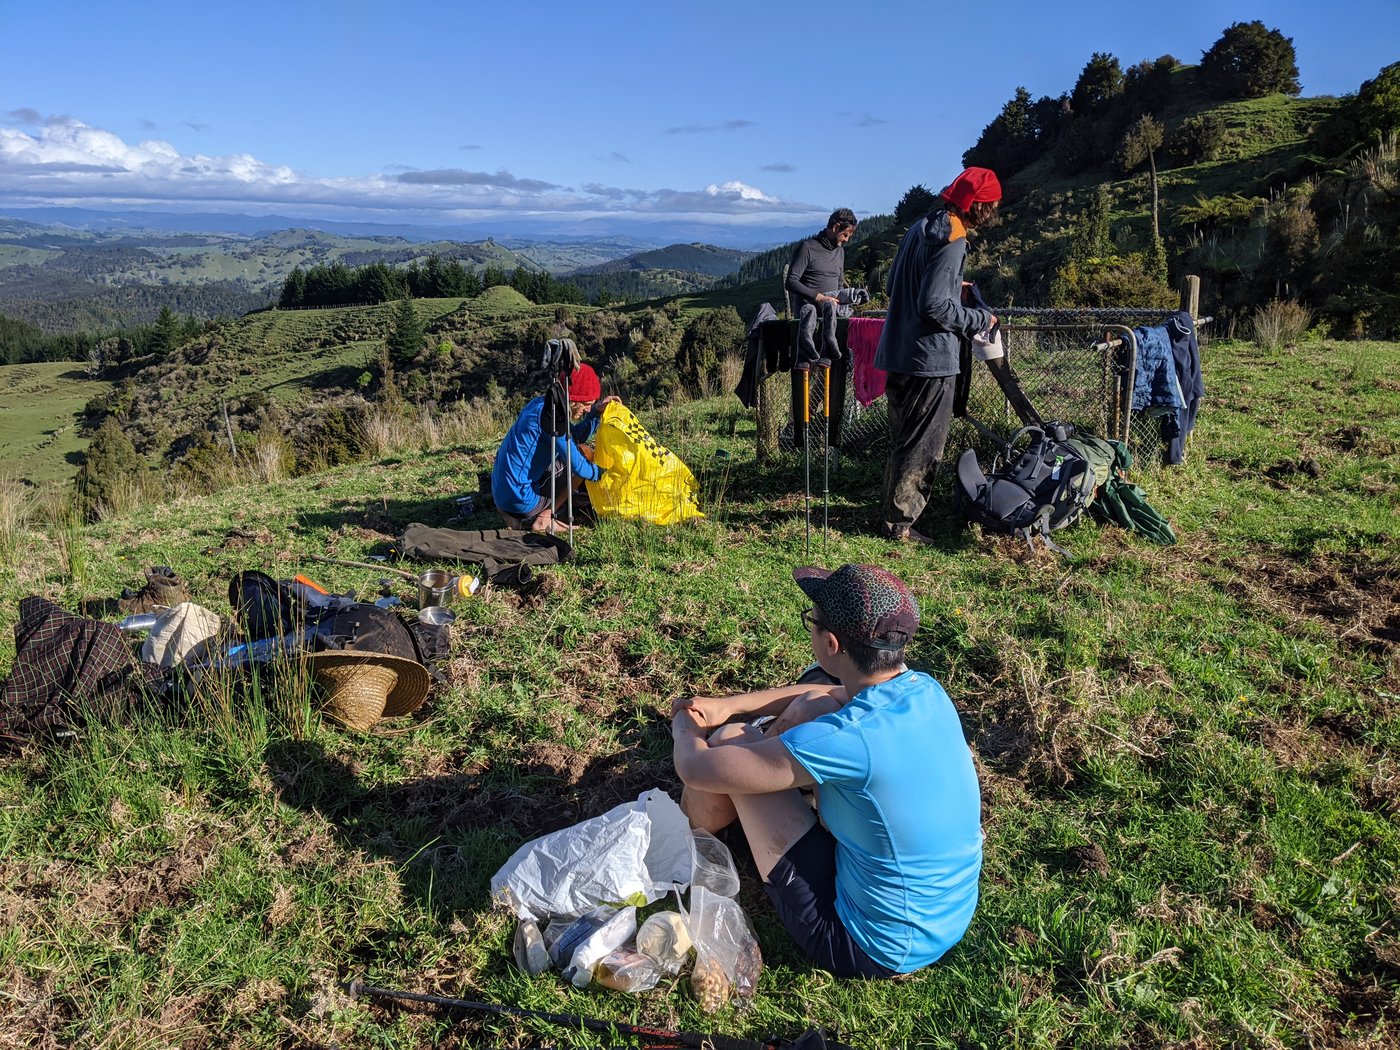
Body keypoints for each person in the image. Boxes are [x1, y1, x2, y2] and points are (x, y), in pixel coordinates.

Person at [671, 563, 982, 979]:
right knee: (812, 708)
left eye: (811, 622)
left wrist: (686, 724)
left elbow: (695, 766)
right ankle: (730, 808)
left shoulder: (847, 740)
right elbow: (828, 692)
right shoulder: (925, 689)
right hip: (941, 917)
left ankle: (690, 836)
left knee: (728, 744)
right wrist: (732, 703)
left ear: (831, 643)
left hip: (866, 944)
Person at [875, 167, 1002, 543]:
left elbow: (893, 283)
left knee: (903, 439)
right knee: (924, 446)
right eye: (991, 204)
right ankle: (901, 524)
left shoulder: (920, 228)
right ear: (979, 206)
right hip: (929, 359)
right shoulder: (954, 239)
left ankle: (891, 515)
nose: (993, 211)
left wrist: (948, 283)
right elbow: (934, 306)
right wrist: (980, 316)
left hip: (898, 350)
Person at [491, 362, 614, 534]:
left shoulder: (541, 405)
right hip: (520, 498)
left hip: (502, 493)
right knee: (585, 453)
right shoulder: (554, 420)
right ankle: (545, 518)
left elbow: (573, 436)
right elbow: (579, 466)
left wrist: (595, 414)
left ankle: (515, 514)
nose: (587, 409)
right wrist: (606, 473)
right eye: (586, 404)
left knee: (572, 453)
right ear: (573, 399)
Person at [787, 208, 858, 364]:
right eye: (845, 234)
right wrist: (819, 298)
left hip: (831, 318)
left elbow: (839, 283)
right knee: (806, 368)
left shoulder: (840, 252)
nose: (846, 239)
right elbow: (791, 281)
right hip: (808, 317)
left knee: (831, 368)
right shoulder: (807, 247)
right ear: (835, 227)